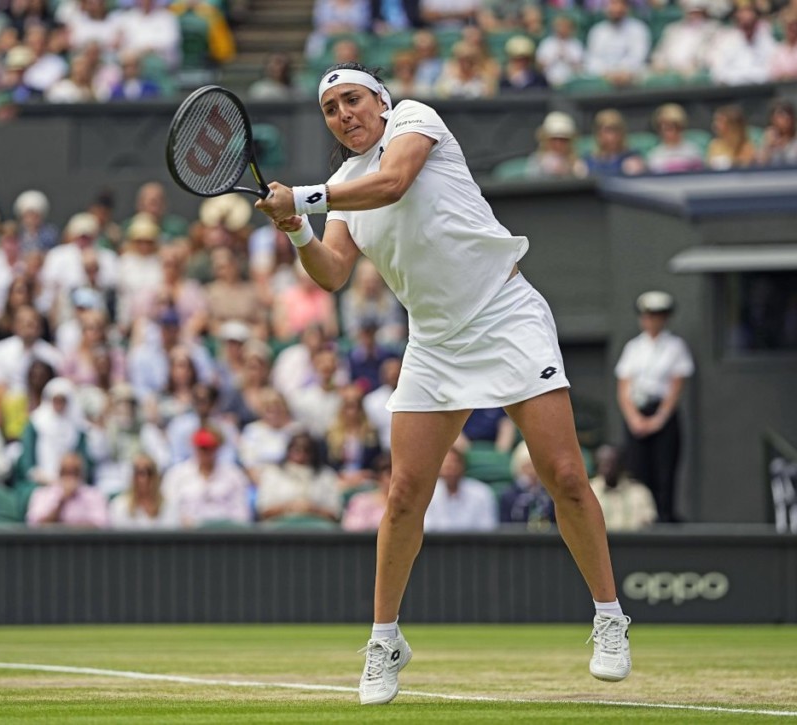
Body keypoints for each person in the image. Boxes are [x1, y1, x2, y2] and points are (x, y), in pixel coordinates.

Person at [254, 61, 631, 705]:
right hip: (434, 342)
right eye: (330, 108)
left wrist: (305, 198)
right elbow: (334, 273)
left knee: (565, 475)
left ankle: (609, 617)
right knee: (402, 495)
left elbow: (395, 183)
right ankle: (384, 638)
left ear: (380, 100)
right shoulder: (345, 183)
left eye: (353, 100)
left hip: (506, 315)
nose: (344, 114)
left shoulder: (414, 121)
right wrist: (296, 231)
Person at [615, 290, 694, 524]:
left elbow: (676, 386)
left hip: (661, 413)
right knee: (638, 469)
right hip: (637, 413)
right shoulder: (633, 347)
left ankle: (665, 516)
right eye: (647, 316)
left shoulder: (675, 347)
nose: (651, 321)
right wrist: (633, 419)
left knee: (665, 468)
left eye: (656, 316)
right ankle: (641, 517)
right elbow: (624, 387)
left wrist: (659, 419)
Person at [423, 443, 498, 532]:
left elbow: (488, 530)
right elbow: (426, 530)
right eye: (447, 466)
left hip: (474, 544)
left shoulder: (482, 493)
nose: (451, 470)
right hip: (437, 545)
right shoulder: (428, 494)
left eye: (454, 464)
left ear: (462, 466)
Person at [589, 445, 657, 532]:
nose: (607, 469)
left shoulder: (640, 492)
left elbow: (650, 525)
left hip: (633, 543)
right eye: (603, 464)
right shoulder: (589, 492)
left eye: (611, 463)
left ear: (620, 465)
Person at [108, 453, 178, 528]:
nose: (143, 479)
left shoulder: (169, 506)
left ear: (156, 477)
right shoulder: (119, 506)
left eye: (149, 472)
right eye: (138, 472)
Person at [646, 104, 706, 175]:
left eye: (672, 127)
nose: (668, 132)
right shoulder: (654, 155)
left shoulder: (693, 151)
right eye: (664, 128)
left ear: (681, 128)